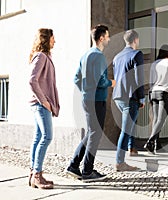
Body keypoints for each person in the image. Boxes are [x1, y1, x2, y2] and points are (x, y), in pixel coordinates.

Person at [65, 24, 116, 182]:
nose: (108, 38)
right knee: (95, 134)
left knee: (91, 133)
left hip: (87, 99)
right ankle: (87, 172)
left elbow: (76, 78)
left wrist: (86, 90)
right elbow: (101, 81)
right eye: (107, 36)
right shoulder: (99, 56)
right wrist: (111, 83)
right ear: (101, 38)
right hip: (97, 100)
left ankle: (74, 166)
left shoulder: (85, 55)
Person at [28, 28, 60, 189]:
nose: (55, 41)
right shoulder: (41, 56)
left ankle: (33, 174)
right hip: (40, 104)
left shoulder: (45, 56)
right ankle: (37, 175)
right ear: (47, 39)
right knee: (47, 137)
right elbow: (32, 80)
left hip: (38, 103)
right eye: (53, 38)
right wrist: (44, 101)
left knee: (38, 137)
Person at [112, 29, 145, 171]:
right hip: (131, 97)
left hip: (118, 96)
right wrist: (142, 97)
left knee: (128, 126)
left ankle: (131, 148)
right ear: (136, 40)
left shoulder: (117, 57)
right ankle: (120, 162)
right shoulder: (137, 54)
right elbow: (139, 79)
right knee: (126, 130)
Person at [144, 44, 168, 154]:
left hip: (153, 92)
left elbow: (151, 81)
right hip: (164, 92)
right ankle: (150, 141)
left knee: (157, 119)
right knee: (161, 119)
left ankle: (157, 145)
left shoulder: (154, 64)